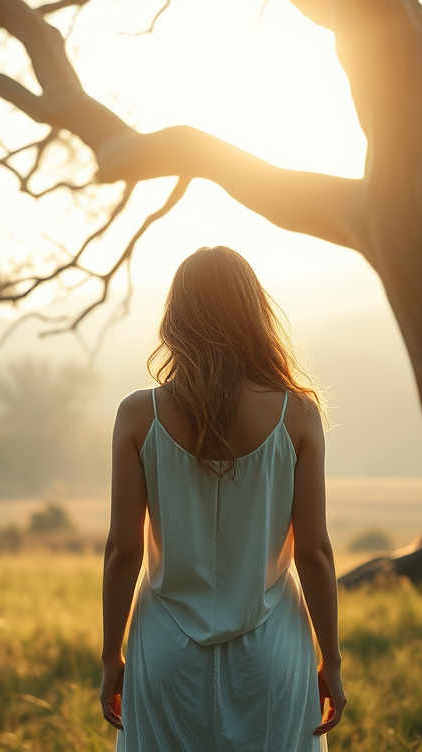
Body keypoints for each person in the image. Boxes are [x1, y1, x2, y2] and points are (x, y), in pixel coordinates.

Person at [100, 246, 346, 752]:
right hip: (272, 651)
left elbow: (123, 551)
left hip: (164, 652)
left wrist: (110, 660)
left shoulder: (136, 416)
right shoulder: (297, 415)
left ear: (176, 318)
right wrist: (333, 662)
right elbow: (315, 551)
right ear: (255, 314)